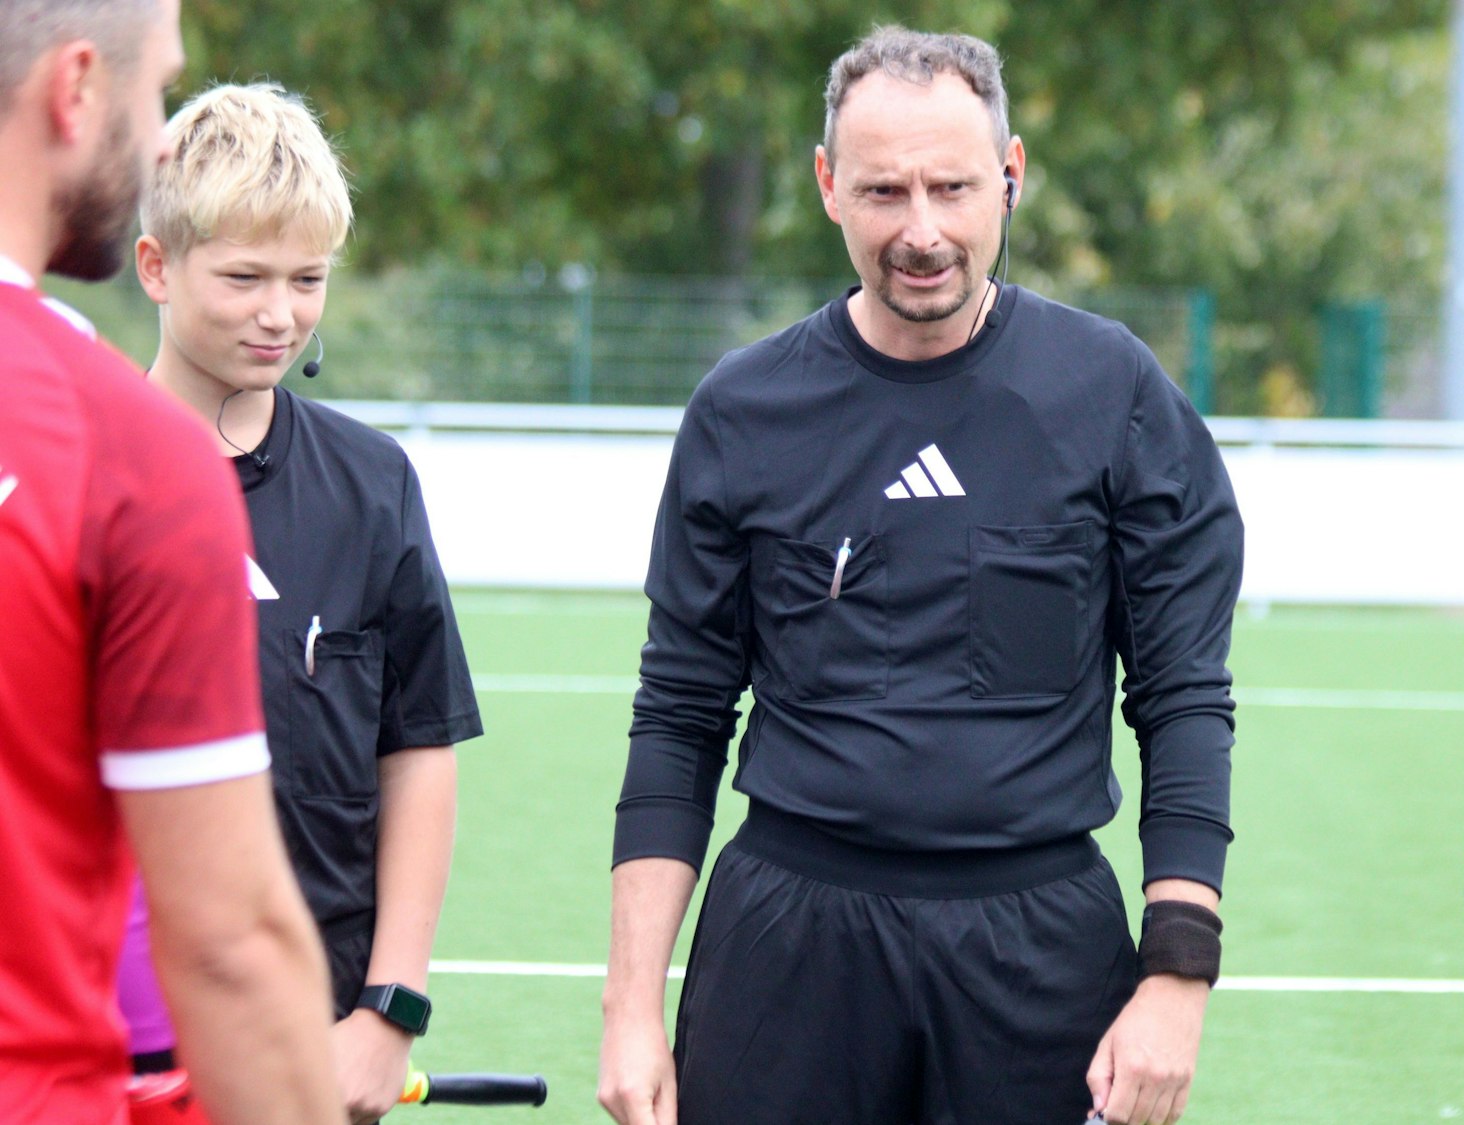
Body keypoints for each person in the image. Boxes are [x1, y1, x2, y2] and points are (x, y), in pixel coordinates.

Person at [597, 26, 1242, 1125]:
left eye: (952, 187)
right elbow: (678, 717)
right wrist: (628, 1008)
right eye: (884, 191)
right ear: (826, 187)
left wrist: (1175, 977)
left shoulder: (1112, 393)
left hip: (1038, 949)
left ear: (1011, 176)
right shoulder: (744, 410)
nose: (923, 231)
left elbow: (1182, 699)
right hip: (785, 944)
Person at [0, 2, 340, 1123]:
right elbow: (230, 944)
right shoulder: (123, 450)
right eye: (160, 92)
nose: (160, 140)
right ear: (76, 88)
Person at [128, 81, 483, 1123]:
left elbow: (417, 746)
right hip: (116, 1028)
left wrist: (388, 1009)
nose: (279, 313)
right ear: (156, 266)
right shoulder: (81, 473)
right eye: (242, 277)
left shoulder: (373, 486)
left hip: (322, 1025)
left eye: (307, 279)